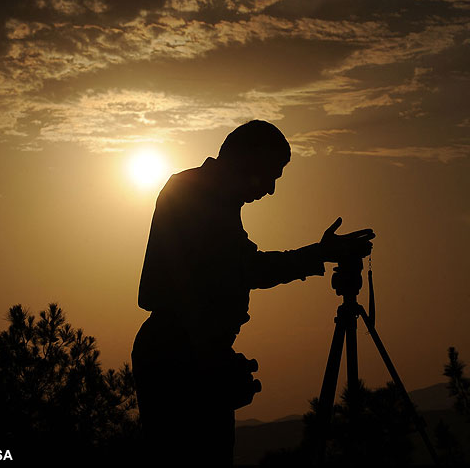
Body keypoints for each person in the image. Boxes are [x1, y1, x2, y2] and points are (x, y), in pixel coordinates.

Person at [131, 120, 374, 465]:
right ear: (249, 161)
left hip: (189, 352)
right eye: (272, 174)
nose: (272, 189)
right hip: (179, 356)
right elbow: (247, 269)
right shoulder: (196, 195)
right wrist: (318, 255)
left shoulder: (209, 197)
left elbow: (236, 269)